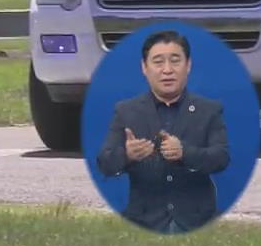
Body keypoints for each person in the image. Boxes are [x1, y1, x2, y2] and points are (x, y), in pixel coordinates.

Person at [95, 29, 230, 233]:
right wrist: (127, 155)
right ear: (144, 68)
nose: (167, 70)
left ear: (188, 65)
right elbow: (104, 163)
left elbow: (221, 158)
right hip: (143, 222)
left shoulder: (209, 110)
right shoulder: (126, 112)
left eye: (175, 61)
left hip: (197, 222)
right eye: (158, 62)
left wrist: (185, 152)